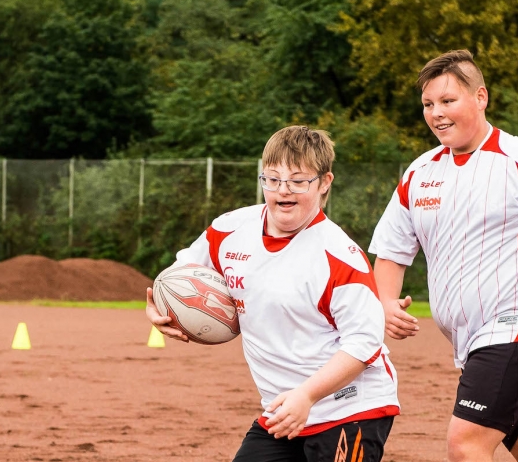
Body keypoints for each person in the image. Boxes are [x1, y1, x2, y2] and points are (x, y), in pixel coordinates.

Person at [370, 49, 518, 462]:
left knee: (466, 445)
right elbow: (392, 252)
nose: (436, 113)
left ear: (480, 97)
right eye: (428, 104)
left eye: (448, 101)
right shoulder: (420, 172)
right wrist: (386, 301)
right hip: (472, 341)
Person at [146, 126, 399, 462]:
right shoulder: (230, 229)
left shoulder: (339, 256)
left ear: (324, 183)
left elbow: (365, 343)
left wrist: (307, 396)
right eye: (273, 179)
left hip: (351, 409)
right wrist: (160, 311)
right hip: (284, 409)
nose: (283, 190)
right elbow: (182, 272)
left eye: (298, 181)